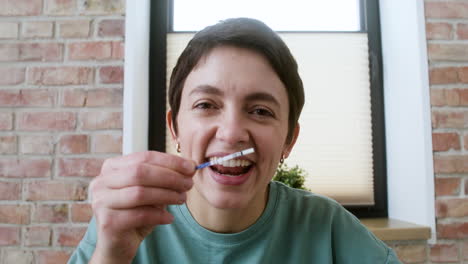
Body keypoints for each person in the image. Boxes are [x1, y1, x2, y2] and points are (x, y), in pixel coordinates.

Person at [68, 18, 401, 264]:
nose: (230, 133)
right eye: (206, 105)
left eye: (260, 110)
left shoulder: (328, 229)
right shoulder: (124, 223)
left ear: (288, 140)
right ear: (175, 129)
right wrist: (112, 254)